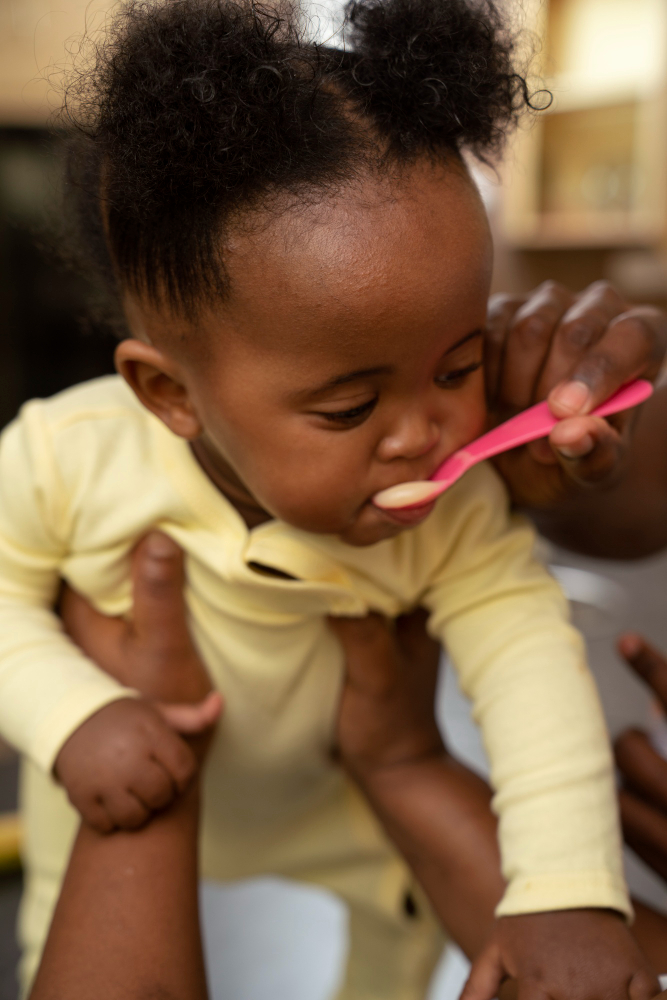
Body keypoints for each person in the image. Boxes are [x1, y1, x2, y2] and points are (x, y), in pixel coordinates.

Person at [0, 0, 663, 996]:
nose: (425, 434)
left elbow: (529, 661)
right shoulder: (65, 457)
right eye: (352, 405)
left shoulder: (454, 510)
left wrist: (565, 891)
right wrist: (74, 713)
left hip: (341, 809)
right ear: (170, 394)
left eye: (457, 367)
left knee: (393, 945)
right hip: (115, 781)